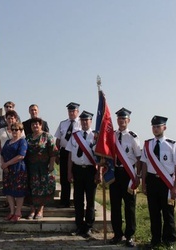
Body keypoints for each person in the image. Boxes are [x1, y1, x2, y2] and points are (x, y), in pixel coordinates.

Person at [141, 115, 176, 249]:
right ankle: (155, 240)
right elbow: (144, 165)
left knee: (168, 213)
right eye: (153, 127)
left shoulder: (172, 144)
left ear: (164, 127)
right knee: (154, 213)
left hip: (167, 184)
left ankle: (169, 241)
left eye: (158, 126)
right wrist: (144, 183)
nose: (155, 129)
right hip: (152, 182)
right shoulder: (147, 144)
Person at [109, 108, 141, 247]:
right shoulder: (112, 136)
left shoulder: (133, 137)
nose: (122, 121)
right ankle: (117, 234)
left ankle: (129, 235)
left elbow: (139, 158)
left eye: (124, 119)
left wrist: (138, 176)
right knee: (115, 206)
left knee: (129, 206)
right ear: (117, 120)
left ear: (128, 120)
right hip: (115, 173)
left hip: (128, 174)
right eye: (119, 119)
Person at [66, 110, 101, 238]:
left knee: (90, 200)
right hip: (77, 170)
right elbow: (70, 155)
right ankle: (79, 225)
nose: (85, 122)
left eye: (87, 120)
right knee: (78, 199)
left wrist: (99, 173)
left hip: (91, 170)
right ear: (80, 122)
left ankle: (88, 227)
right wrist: (69, 172)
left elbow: (101, 157)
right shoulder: (75, 136)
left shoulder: (96, 136)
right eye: (83, 120)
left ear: (91, 121)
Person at [24, 118, 57, 219]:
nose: (35, 126)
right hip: (31, 168)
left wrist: (51, 165)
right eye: (33, 124)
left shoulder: (47, 136)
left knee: (43, 188)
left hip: (44, 167)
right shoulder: (28, 137)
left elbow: (53, 152)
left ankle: (40, 210)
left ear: (41, 125)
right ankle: (32, 210)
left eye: (37, 124)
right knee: (31, 188)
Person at [54, 102, 81, 208]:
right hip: (64, 152)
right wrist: (57, 154)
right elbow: (58, 139)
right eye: (69, 111)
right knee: (64, 178)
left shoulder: (81, 123)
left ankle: (76, 201)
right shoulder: (63, 123)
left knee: (76, 178)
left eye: (73, 111)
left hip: (77, 152)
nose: (71, 113)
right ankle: (64, 201)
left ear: (77, 111)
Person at [0, 110, 25, 208]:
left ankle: (17, 207)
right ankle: (8, 203)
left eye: (12, 118)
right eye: (8, 118)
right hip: (4, 159)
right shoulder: (1, 130)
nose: (10, 120)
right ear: (5, 119)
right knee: (6, 183)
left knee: (17, 185)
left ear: (15, 119)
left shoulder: (20, 130)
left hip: (17, 162)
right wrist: (2, 157)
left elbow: (22, 148)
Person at [0, 122, 28, 222]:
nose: (15, 131)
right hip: (7, 170)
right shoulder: (7, 142)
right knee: (9, 191)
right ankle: (12, 211)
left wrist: (7, 164)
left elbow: (21, 156)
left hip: (18, 169)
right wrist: (3, 165)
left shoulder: (22, 141)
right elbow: (2, 154)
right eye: (13, 129)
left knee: (19, 192)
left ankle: (18, 212)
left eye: (17, 130)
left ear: (21, 131)